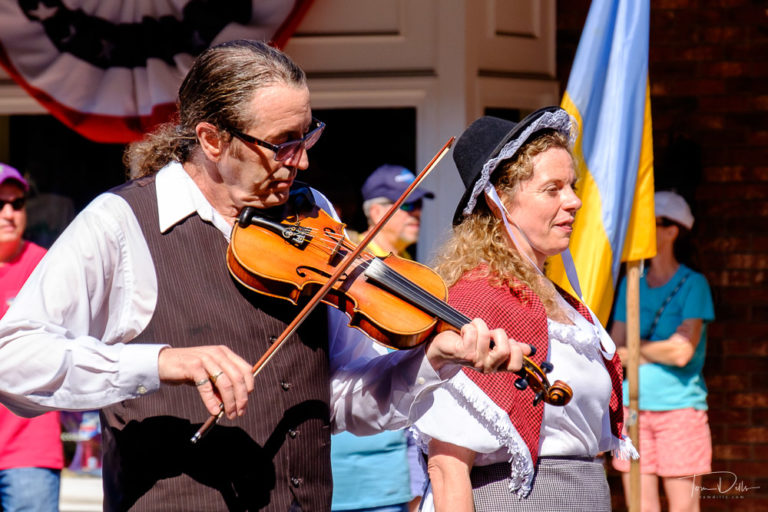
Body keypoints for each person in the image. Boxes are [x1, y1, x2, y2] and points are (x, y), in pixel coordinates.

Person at [0, 40, 529, 512]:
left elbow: (339, 398)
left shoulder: (312, 213)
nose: (299, 162)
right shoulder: (120, 223)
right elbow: (13, 359)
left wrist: (427, 362)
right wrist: (159, 362)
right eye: (281, 144)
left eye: (307, 136)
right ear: (211, 139)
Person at [409, 107, 637, 511]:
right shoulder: (476, 300)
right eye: (553, 189)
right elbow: (447, 467)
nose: (575, 201)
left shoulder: (562, 301)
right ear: (500, 202)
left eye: (572, 185)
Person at [330, 164, 432, 512]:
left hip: (392, 452)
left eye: (419, 205)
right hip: (350, 451)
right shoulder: (347, 263)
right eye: (407, 205)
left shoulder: (409, 271)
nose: (416, 213)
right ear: (377, 211)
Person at [611, 190, 714, 512]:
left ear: (672, 230)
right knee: (640, 507)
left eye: (650, 224)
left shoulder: (694, 284)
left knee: (684, 508)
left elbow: (682, 353)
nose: (641, 232)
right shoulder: (631, 282)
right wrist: (658, 348)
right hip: (632, 410)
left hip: (680, 410)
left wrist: (636, 349)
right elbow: (615, 349)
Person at [0, 164, 63, 512]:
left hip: (29, 446)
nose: (9, 214)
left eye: (17, 203)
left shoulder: (47, 266)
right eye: (0, 204)